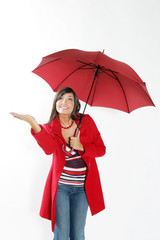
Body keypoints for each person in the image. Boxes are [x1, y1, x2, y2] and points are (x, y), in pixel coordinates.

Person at [10, 87, 106, 240]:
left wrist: (81, 146)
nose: (64, 102)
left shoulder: (86, 121)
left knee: (78, 234)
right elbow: (48, 149)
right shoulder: (50, 128)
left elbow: (101, 150)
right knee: (61, 233)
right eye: (60, 98)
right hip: (61, 188)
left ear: (75, 104)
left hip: (83, 189)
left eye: (70, 99)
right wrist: (32, 122)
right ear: (55, 103)